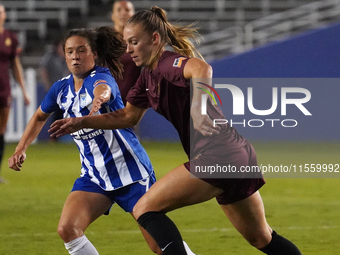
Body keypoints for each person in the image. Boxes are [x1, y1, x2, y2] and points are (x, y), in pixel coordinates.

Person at [48, 6, 303, 255]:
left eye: (134, 42)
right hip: (236, 156)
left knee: (145, 208)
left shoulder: (166, 63)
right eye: (127, 43)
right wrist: (81, 122)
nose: (129, 49)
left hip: (218, 156)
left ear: (155, 39)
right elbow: (127, 115)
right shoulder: (148, 77)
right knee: (262, 238)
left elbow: (202, 69)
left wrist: (199, 107)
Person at [9, 26, 163, 255]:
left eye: (81, 50)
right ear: (64, 54)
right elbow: (39, 116)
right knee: (68, 229)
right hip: (95, 176)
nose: (75, 56)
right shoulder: (60, 88)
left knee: (160, 246)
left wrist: (98, 102)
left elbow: (104, 89)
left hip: (129, 172)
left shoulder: (100, 77)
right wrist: (21, 148)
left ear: (94, 54)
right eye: (70, 51)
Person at [0, 2, 30, 183]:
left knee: (1, 130)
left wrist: (24, 91)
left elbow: (15, 66)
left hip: (4, 89)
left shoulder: (9, 37)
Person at [39, 37, 69, 141]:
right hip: (54, 89)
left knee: (61, 112)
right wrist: (47, 85)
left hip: (64, 89)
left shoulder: (64, 58)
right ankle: (53, 136)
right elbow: (44, 70)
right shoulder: (50, 57)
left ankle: (56, 136)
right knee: (54, 112)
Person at [111, 0, 141, 106]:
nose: (123, 13)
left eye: (127, 10)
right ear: (112, 16)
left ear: (133, 16)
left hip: (131, 107)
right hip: (102, 104)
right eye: (119, 10)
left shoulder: (141, 42)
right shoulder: (101, 41)